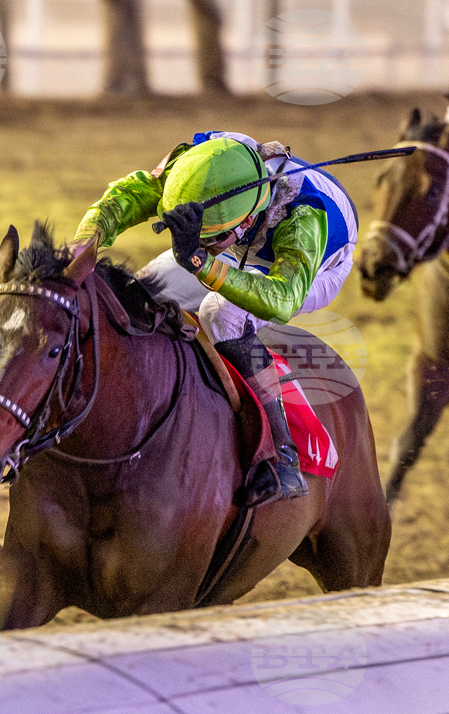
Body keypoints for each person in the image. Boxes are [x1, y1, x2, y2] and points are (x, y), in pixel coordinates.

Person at [73, 131, 359, 506]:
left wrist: (201, 260)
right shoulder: (194, 168)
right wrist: (83, 246)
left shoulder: (303, 217)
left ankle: (283, 454)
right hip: (236, 244)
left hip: (310, 268)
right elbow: (128, 195)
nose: (204, 245)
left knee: (221, 313)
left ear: (244, 223)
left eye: (211, 239)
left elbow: (280, 299)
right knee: (139, 293)